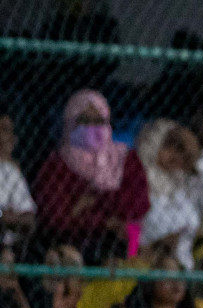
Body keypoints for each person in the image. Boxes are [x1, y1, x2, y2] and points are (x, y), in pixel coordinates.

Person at [32, 90, 150, 263]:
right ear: (70, 124)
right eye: (85, 121)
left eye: (100, 121)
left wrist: (83, 210)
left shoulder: (125, 158)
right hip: (75, 242)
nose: (93, 128)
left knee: (136, 247)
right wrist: (105, 220)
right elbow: (57, 219)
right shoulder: (56, 165)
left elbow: (137, 206)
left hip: (124, 237)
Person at [136, 118, 203, 269]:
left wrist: (198, 159)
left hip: (183, 270)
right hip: (147, 267)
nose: (175, 153)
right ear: (154, 143)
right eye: (168, 145)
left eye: (181, 149)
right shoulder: (136, 180)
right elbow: (135, 232)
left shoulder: (187, 185)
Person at [0, 110, 37, 250]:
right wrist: (5, 216)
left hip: (13, 244)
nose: (10, 138)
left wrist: (6, 218)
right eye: (4, 130)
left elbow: (29, 219)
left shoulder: (11, 171)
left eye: (9, 131)